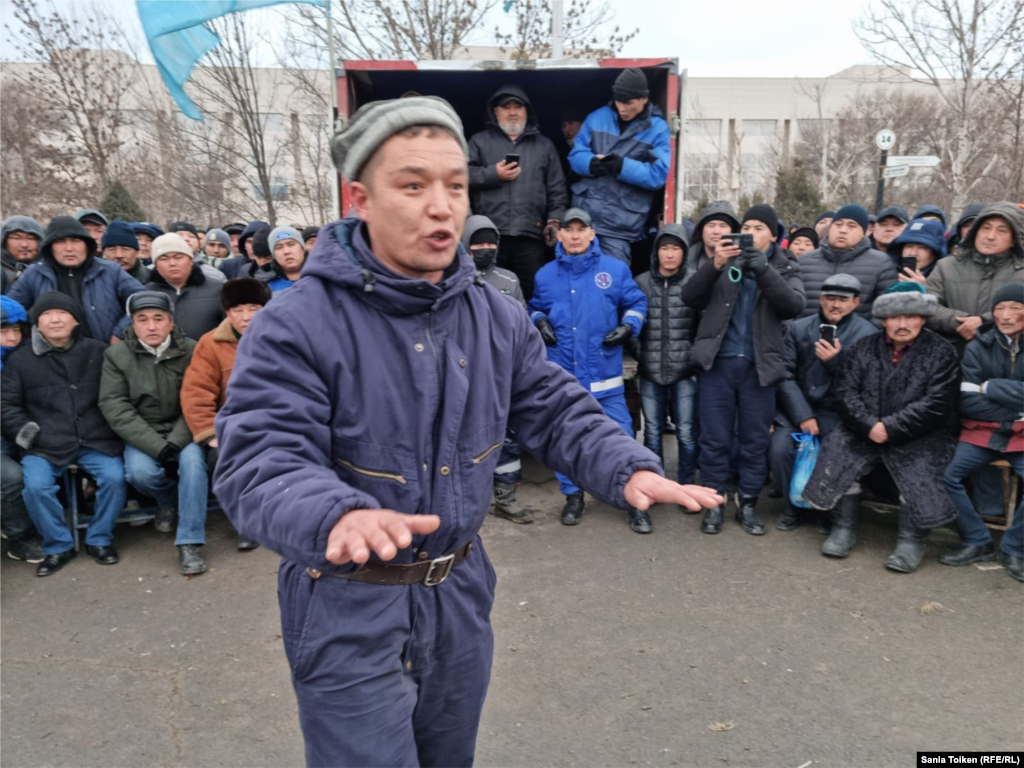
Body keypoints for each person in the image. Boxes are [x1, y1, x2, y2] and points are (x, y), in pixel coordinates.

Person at [213, 96, 720, 768]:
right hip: (345, 602)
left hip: (457, 593)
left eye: (455, 184)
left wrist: (627, 465)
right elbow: (259, 461)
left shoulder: (494, 313)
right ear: (360, 198)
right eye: (413, 184)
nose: (441, 205)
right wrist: (336, 515)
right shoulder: (294, 323)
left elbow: (553, 406)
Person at [802, 283, 960, 571]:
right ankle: (843, 528)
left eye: (910, 316)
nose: (902, 324)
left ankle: (911, 540)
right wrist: (869, 425)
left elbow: (937, 403)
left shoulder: (941, 352)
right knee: (839, 449)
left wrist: (890, 427)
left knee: (920, 468)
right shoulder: (864, 348)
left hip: (922, 433)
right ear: (884, 319)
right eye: (895, 317)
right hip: (866, 427)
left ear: (923, 318)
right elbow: (845, 393)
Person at [682, 204, 805, 536]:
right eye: (745, 225)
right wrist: (715, 265)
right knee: (714, 438)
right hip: (717, 365)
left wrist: (764, 270)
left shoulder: (785, 266)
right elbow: (689, 296)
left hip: (759, 368)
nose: (749, 231)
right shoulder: (721, 261)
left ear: (774, 236)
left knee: (753, 440)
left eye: (759, 227)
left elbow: (793, 306)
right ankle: (714, 501)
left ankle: (748, 502)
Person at [529, 207, 651, 531]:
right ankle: (574, 496)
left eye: (580, 229)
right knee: (565, 440)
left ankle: (634, 499)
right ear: (559, 235)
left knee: (622, 438)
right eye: (568, 230)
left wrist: (628, 326)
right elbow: (534, 306)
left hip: (605, 379)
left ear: (592, 233)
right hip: (564, 380)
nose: (574, 235)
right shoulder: (545, 275)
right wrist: (539, 321)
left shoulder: (614, 270)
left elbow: (637, 303)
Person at [0, 292, 126, 576]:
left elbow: (118, 394)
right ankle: (58, 545)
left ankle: (99, 539)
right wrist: (28, 434)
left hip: (95, 438)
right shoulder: (20, 360)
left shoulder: (98, 351)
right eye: (46, 315)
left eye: (62, 313)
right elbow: (6, 404)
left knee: (115, 478)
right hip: (43, 443)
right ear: (36, 323)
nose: (54, 319)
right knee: (36, 486)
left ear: (76, 320)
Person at [99, 291, 207, 576]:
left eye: (158, 318)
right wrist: (156, 446)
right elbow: (115, 406)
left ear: (170, 322)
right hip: (142, 431)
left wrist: (176, 441)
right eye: (142, 319)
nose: (151, 326)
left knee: (194, 465)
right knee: (139, 473)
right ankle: (168, 501)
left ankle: (189, 542)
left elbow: (200, 398)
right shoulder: (116, 356)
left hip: (185, 427)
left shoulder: (193, 349)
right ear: (133, 324)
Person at [771, 274, 876, 531]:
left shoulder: (868, 333)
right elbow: (785, 375)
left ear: (855, 302)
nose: (835, 305)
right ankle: (791, 507)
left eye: (843, 299)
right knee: (779, 450)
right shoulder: (798, 328)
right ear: (821, 299)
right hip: (800, 410)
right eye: (830, 298)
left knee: (834, 452)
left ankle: (826, 511)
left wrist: (835, 363)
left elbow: (866, 384)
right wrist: (803, 416)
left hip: (839, 413)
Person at [940, 282, 1024, 583]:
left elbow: (981, 392)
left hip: (1022, 436)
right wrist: (1017, 409)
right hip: (983, 430)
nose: (1006, 314)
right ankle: (977, 540)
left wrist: (992, 387)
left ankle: (1014, 547)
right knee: (946, 474)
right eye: (1000, 308)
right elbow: (968, 400)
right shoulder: (978, 346)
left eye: (1015, 307)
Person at [180, 278, 271, 550]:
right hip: (231, 425)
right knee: (226, 454)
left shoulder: (285, 337)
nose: (245, 317)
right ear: (227, 312)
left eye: (253, 309)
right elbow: (196, 392)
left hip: (275, 422)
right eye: (237, 310)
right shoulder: (211, 344)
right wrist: (210, 433)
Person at [460, 215, 534, 524]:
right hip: (463, 376)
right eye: (478, 242)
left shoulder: (509, 280)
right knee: (462, 441)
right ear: (465, 244)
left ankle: (506, 499)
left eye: (491, 242)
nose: (485, 248)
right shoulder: (453, 280)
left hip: (501, 375)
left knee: (507, 439)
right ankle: (463, 505)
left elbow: (524, 325)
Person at [467, 85, 567, 301]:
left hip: (530, 235)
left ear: (527, 111)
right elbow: (460, 176)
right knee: (486, 295)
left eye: (518, 106)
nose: (512, 112)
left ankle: (530, 334)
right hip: (490, 237)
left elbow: (557, 189)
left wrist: (554, 220)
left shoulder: (544, 145)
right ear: (495, 112)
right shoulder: (479, 141)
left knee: (534, 295)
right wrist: (493, 173)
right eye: (506, 107)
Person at [568, 68, 671, 264]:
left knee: (612, 285)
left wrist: (622, 166)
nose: (622, 108)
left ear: (644, 99)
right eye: (618, 101)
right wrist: (590, 164)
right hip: (583, 220)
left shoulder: (657, 129)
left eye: (629, 103)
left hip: (619, 226)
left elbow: (658, 174)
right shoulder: (597, 117)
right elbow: (575, 155)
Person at [633, 224, 698, 491]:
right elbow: (633, 327)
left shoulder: (695, 281)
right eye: (664, 247)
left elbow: (703, 325)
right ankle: (656, 484)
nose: (669, 254)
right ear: (656, 251)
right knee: (651, 431)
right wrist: (642, 354)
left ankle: (685, 484)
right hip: (650, 371)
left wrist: (692, 358)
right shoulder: (641, 282)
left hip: (685, 372)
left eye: (675, 248)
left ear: (684, 252)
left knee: (685, 432)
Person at [9, 216, 145, 343]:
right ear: (50, 247)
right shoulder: (34, 273)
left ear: (87, 244)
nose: (69, 248)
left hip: (104, 354)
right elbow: (9, 311)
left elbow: (144, 300)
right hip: (51, 359)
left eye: (76, 241)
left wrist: (119, 332)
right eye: (60, 241)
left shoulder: (110, 271)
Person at [926, 202, 1024, 351]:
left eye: (1002, 231)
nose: (990, 236)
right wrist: (960, 322)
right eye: (985, 228)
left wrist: (983, 322)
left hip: (1007, 355)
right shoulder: (946, 266)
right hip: (950, 352)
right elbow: (928, 306)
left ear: (1014, 239)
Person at [0, 295, 44, 564]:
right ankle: (19, 537)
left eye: (16, 330)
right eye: (3, 331)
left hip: (14, 432)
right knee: (12, 477)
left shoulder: (25, 359)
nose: (12, 338)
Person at [797, 204, 898, 320]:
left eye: (852, 226)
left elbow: (886, 311)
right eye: (838, 224)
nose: (843, 230)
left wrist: (864, 335)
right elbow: (791, 305)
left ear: (863, 232)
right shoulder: (804, 261)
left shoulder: (881, 263)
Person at [145, 233, 226, 340]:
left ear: (191, 261)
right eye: (164, 258)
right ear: (156, 265)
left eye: (178, 257)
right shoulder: (146, 293)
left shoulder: (218, 289)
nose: (172, 263)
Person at [684, 200, 741, 275]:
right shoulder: (684, 263)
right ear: (701, 230)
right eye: (711, 225)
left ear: (732, 231)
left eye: (723, 226)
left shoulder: (744, 263)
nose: (716, 231)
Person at [890, 218, 947, 285]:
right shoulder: (886, 273)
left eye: (922, 248)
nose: (913, 253)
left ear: (935, 252)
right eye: (909, 246)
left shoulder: (946, 278)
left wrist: (924, 288)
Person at [0, 215, 44, 293]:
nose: (24, 244)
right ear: (4, 241)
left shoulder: (48, 271)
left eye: (31, 238)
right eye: (17, 238)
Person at [260, 226, 308, 294]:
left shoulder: (322, 276)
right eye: (279, 247)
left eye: (291, 244)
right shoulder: (265, 286)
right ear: (274, 255)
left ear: (303, 248)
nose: (286, 251)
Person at [101, 219, 150, 284]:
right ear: (104, 254)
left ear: (137, 252)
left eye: (125, 249)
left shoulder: (153, 279)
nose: (119, 255)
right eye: (112, 249)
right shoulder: (93, 282)